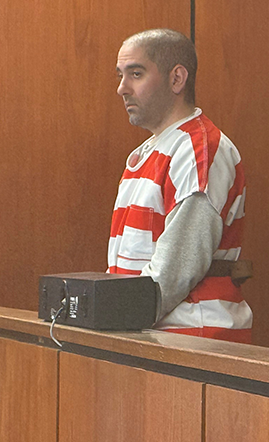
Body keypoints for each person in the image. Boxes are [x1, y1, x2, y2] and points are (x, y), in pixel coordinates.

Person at [108, 29, 252, 342]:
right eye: (120, 75)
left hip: (192, 336)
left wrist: (110, 316)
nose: (122, 88)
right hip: (153, 333)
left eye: (136, 74)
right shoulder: (155, 149)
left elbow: (175, 270)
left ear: (177, 79)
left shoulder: (199, 148)